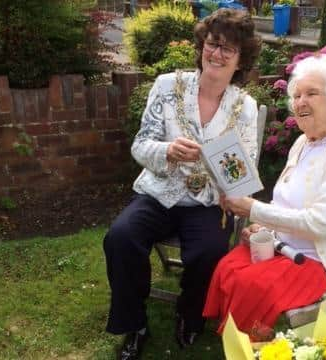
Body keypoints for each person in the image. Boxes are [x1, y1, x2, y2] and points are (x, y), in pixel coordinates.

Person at [103, 8, 261, 360]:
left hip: (207, 203)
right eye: (213, 44)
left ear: (240, 60)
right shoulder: (167, 86)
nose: (217, 54)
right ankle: (134, 324)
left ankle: (189, 314)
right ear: (202, 46)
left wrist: (232, 191)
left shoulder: (245, 107)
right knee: (121, 237)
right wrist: (167, 150)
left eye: (228, 49)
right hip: (159, 193)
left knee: (210, 253)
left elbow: (243, 168)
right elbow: (140, 145)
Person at [203, 54, 326, 334]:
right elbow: (286, 198)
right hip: (285, 244)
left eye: (311, 93)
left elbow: (321, 223)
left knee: (253, 285)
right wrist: (262, 226)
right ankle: (241, 339)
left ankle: (252, 343)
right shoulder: (305, 140)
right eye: (297, 95)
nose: (300, 102)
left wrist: (253, 209)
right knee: (230, 265)